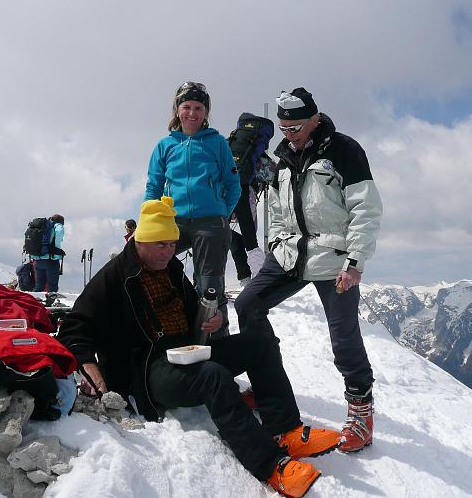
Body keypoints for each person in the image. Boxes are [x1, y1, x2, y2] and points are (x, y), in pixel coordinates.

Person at [57, 197, 339, 497]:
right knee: (213, 375)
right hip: (151, 371)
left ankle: (287, 430)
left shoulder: (170, 267)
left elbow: (193, 306)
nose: (170, 251)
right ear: (143, 240)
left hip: (190, 351)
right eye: (162, 245)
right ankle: (271, 465)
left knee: (260, 342)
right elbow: (74, 327)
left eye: (172, 244)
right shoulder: (114, 277)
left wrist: (213, 319)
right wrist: (88, 364)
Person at [235, 88, 383, 453]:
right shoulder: (283, 157)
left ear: (315, 119)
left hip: (334, 258)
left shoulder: (344, 151)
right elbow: (280, 207)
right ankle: (267, 383)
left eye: (296, 127)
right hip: (290, 255)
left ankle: (361, 410)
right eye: (284, 129)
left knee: (343, 337)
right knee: (248, 305)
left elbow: (366, 208)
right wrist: (274, 244)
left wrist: (354, 262)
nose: (290, 135)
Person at [144, 82, 241, 338]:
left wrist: (221, 214)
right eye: (187, 107)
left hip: (210, 224)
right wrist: (148, 226)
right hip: (172, 223)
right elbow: (153, 187)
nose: (192, 113)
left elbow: (233, 186)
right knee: (151, 271)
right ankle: (168, 332)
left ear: (206, 112)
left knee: (210, 286)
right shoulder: (165, 146)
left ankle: (218, 348)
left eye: (199, 108)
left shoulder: (217, 143)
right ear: (177, 110)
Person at [30, 214, 65, 293]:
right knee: (52, 286)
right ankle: (51, 302)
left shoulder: (42, 227)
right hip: (51, 260)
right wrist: (56, 246)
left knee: (39, 286)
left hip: (38, 259)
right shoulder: (57, 226)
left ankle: (34, 302)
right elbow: (59, 233)